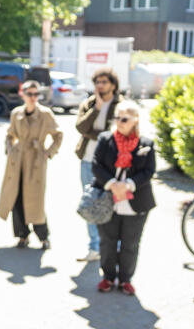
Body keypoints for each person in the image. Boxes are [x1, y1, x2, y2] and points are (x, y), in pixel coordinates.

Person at [90, 100, 155, 295]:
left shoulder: (146, 144)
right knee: (107, 241)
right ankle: (108, 277)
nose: (119, 122)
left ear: (135, 120)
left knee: (130, 244)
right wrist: (112, 184)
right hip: (108, 200)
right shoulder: (105, 139)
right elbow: (96, 164)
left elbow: (149, 171)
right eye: (117, 118)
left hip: (135, 201)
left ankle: (125, 279)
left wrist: (128, 185)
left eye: (124, 119)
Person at [0, 80, 63, 249]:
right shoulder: (16, 113)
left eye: (36, 94)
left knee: (35, 199)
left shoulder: (45, 114)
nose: (33, 97)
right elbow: (10, 134)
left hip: (35, 160)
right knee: (16, 197)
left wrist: (48, 152)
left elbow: (58, 135)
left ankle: (43, 237)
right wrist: (10, 149)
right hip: (17, 160)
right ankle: (22, 235)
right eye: (30, 94)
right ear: (23, 95)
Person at [74, 68, 124, 262]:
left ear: (113, 84)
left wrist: (94, 133)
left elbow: (115, 134)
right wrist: (96, 109)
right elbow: (81, 127)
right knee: (91, 202)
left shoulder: (121, 106)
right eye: (97, 82)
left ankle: (113, 246)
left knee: (113, 204)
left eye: (104, 82)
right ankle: (94, 247)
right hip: (88, 161)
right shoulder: (89, 103)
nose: (100, 86)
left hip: (112, 164)